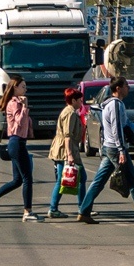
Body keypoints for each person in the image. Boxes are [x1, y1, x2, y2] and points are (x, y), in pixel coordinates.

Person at [79, 75, 134, 223]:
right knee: (133, 181)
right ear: (118, 88)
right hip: (115, 148)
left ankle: (84, 211)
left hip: (110, 147)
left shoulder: (115, 104)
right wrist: (122, 150)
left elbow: (128, 124)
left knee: (99, 181)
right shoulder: (115, 105)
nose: (128, 88)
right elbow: (117, 129)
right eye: (126, 85)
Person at [0, 78, 36, 220]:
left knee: (17, 180)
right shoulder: (15, 103)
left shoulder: (15, 102)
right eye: (23, 87)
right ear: (15, 88)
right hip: (17, 143)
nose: (25, 90)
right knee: (27, 178)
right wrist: (25, 107)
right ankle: (27, 211)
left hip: (17, 143)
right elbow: (20, 122)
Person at [47, 86, 92, 222]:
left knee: (76, 178)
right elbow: (67, 135)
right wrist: (70, 155)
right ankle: (56, 209)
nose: (81, 103)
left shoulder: (70, 111)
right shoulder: (70, 113)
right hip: (65, 150)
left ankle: (81, 207)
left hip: (65, 149)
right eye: (79, 100)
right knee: (65, 180)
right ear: (73, 100)